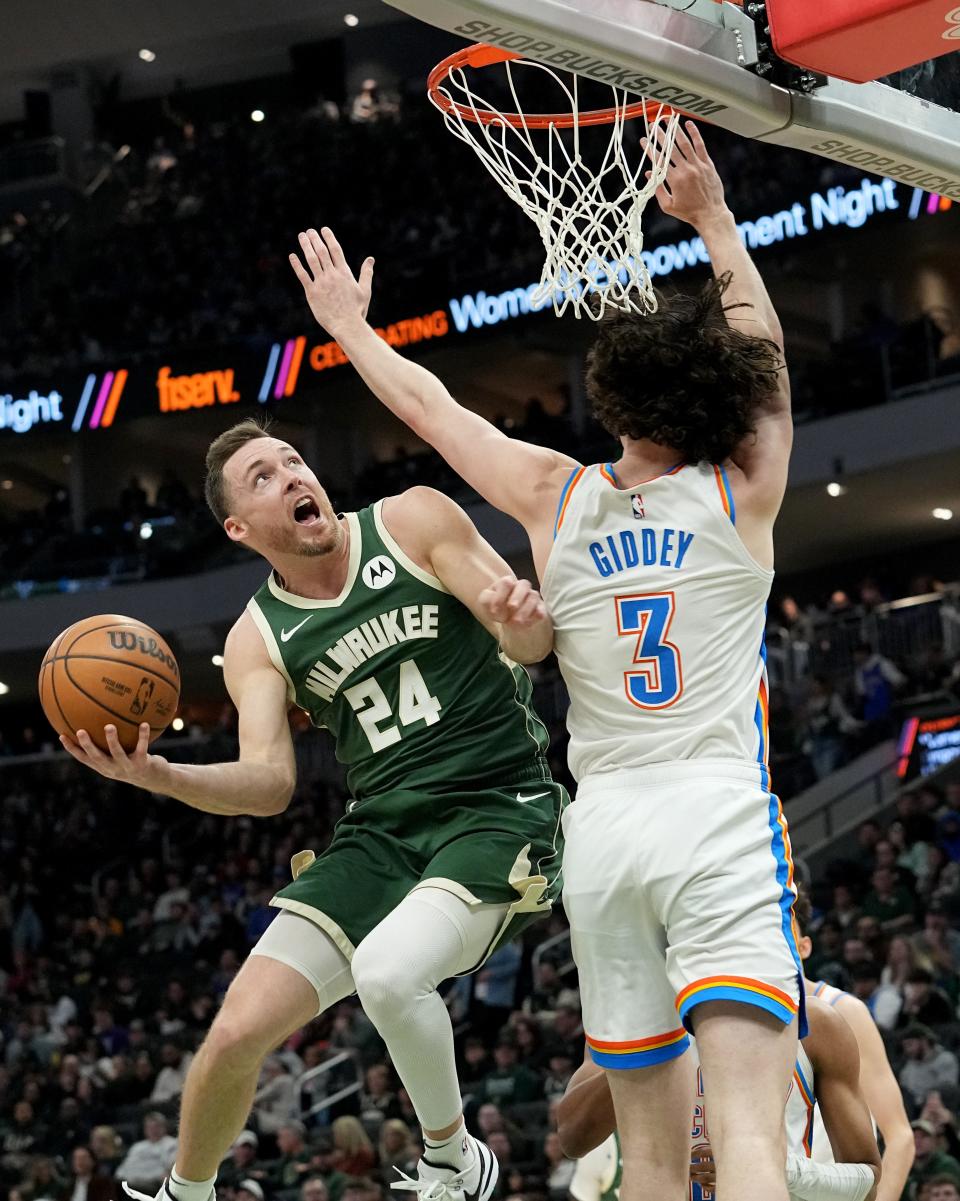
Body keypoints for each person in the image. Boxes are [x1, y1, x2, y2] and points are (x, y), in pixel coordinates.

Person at [290, 120, 800, 1201]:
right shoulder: (738, 489)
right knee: (751, 1137)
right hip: (714, 809)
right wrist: (711, 219)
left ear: (613, 395)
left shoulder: (555, 496)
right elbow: (766, 359)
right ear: (707, 400)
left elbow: (431, 409)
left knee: (652, 1161)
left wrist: (348, 329)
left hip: (603, 829)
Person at [61, 419, 569, 1201]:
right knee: (234, 1033)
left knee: (390, 973)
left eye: (293, 460)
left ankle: (455, 1159)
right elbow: (269, 783)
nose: (293, 477)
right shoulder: (259, 637)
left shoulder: (411, 520)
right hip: (383, 829)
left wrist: (525, 623)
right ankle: (184, 1195)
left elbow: (529, 649)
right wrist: (159, 773)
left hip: (497, 803)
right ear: (238, 527)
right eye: (263, 477)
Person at [557, 995, 880, 1201]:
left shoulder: (816, 1023)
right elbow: (573, 1139)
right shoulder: (628, 1020)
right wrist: (649, 1043)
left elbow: (868, 1184)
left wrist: (772, 1169)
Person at [798, 889, 915, 1201]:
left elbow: (900, 1136)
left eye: (782, 929)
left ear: (805, 946)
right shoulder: (736, 1016)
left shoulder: (842, 1009)